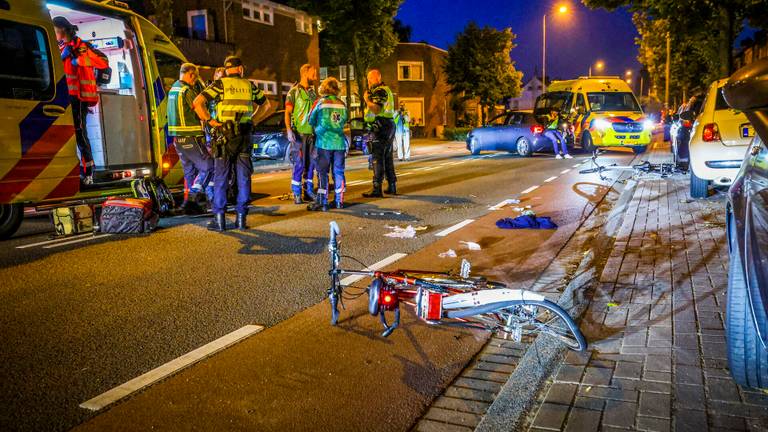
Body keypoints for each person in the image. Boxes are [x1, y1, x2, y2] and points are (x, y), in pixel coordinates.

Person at [193, 56, 270, 231]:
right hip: (244, 136)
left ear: (227, 70)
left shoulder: (220, 84)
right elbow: (267, 105)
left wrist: (211, 122)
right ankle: (241, 219)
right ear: (241, 69)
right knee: (243, 178)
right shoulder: (249, 85)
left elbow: (197, 103)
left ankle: (220, 220)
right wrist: (253, 120)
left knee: (221, 178)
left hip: (224, 137)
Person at [53, 16, 108, 185]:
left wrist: (80, 60)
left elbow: (103, 61)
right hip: (65, 98)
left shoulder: (82, 46)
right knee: (68, 134)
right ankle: (74, 169)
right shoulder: (60, 48)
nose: (54, 34)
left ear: (62, 30)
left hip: (79, 98)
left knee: (79, 133)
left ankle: (89, 171)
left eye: (55, 30)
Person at [166, 63, 213, 214]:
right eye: (195, 77)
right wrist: (211, 121)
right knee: (209, 166)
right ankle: (193, 196)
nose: (195, 80)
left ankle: (191, 206)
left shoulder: (173, 88)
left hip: (177, 139)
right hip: (190, 136)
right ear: (191, 74)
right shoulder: (187, 90)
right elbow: (199, 110)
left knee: (189, 171)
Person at [307, 77, 348, 212]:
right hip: (339, 144)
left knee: (322, 173)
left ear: (324, 88)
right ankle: (339, 201)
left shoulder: (320, 103)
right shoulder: (342, 104)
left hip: (323, 143)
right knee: (338, 172)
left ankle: (323, 202)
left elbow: (310, 119)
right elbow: (345, 120)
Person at [285, 64, 319, 204]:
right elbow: (287, 112)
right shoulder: (293, 92)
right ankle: (297, 193)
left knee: (311, 164)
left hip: (312, 135)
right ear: (305, 73)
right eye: (313, 73)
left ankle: (309, 191)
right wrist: (288, 129)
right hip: (298, 135)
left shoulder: (313, 93)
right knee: (299, 164)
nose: (315, 77)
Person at [362, 69, 397, 198]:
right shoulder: (385, 90)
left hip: (381, 126)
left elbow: (376, 109)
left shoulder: (380, 91)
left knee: (377, 157)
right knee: (387, 156)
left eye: (370, 79)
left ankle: (377, 188)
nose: (369, 81)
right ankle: (392, 185)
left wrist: (366, 100)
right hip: (388, 125)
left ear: (377, 78)